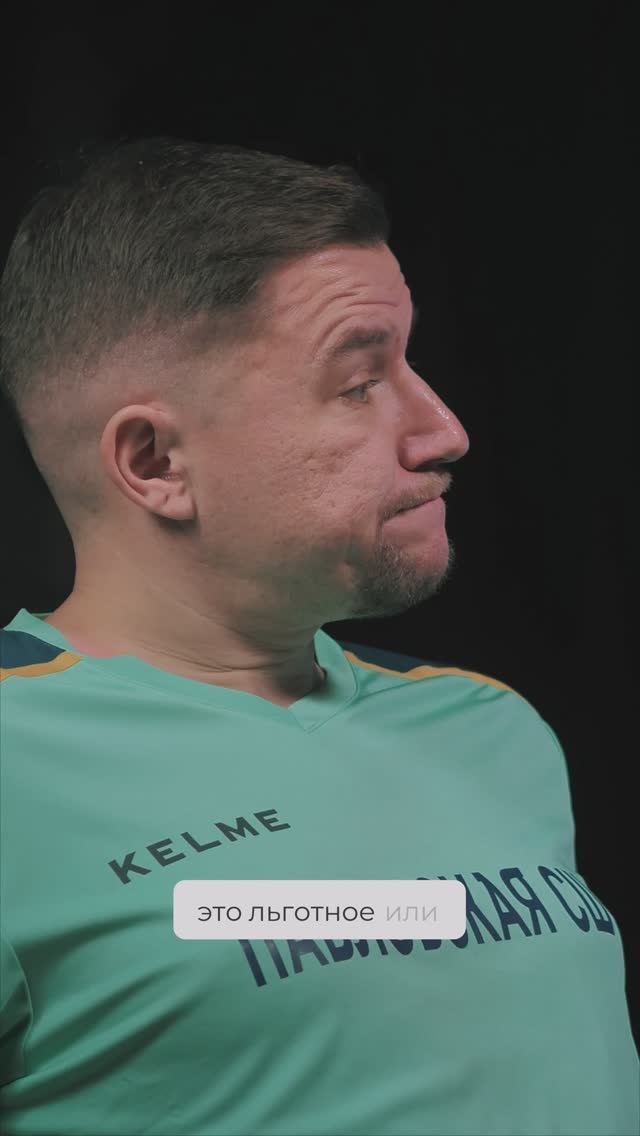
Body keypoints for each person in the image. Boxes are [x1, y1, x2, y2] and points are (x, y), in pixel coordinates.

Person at [0, 137, 637, 1136]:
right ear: (155, 460)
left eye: (409, 362)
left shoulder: (488, 724)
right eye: (358, 382)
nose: (443, 430)